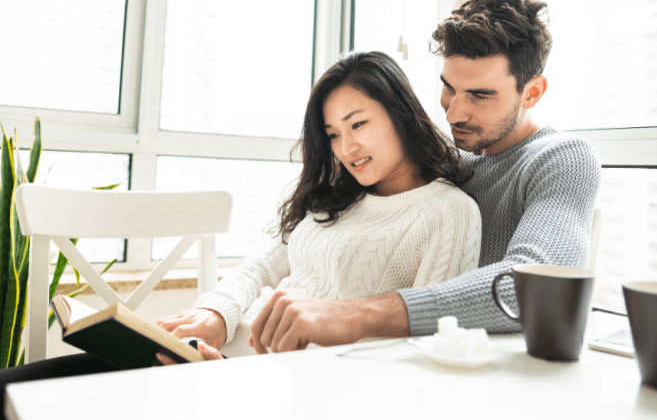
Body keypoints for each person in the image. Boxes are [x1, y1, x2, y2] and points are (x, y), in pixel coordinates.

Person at [239, 0, 602, 352]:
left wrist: (353, 315)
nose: (454, 113)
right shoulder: (449, 158)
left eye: (480, 95)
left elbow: (538, 287)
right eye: (448, 88)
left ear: (532, 92)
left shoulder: (562, 159)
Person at [155, 50, 482, 359]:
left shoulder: (448, 212)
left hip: (278, 378)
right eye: (333, 135)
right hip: (223, 349)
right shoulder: (340, 196)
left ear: (401, 115)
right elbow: (262, 268)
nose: (347, 148)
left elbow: (429, 337)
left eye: (357, 124)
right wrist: (215, 314)